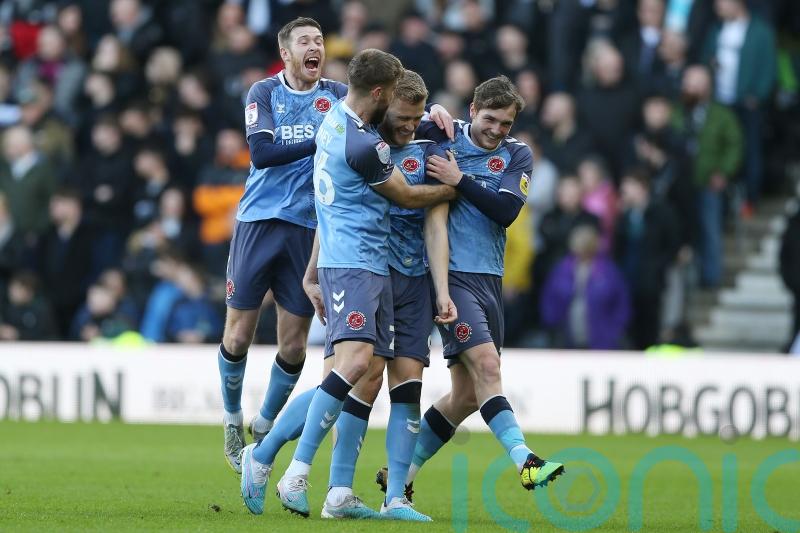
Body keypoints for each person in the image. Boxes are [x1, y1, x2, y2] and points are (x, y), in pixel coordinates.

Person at [219, 17, 454, 475]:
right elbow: (263, 153)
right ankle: (231, 419)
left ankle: (265, 424)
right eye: (304, 41)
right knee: (238, 334)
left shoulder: (338, 97)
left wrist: (438, 114)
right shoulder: (265, 94)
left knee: (292, 346)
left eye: (320, 41)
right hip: (260, 220)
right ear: (286, 52)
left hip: (311, 226)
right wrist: (330, 140)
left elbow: (392, 114)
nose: (315, 47)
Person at [386, 75, 564, 502]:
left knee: (467, 394)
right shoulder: (441, 135)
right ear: (472, 111)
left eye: (506, 123)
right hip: (452, 277)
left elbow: (506, 211)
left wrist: (459, 178)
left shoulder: (517, 153)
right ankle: (525, 461)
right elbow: (395, 120)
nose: (497, 130)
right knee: (488, 367)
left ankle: (401, 476)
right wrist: (432, 113)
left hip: (490, 279)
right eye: (491, 119)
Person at [540, 224, 630, 349]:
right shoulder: (562, 269)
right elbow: (550, 298)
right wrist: (552, 324)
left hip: (603, 341)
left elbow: (621, 303)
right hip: (566, 339)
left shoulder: (608, 271)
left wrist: (614, 331)